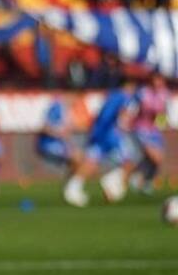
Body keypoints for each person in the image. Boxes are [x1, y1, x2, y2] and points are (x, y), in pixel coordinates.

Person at [64, 79, 136, 208]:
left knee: (91, 161)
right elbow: (115, 114)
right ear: (128, 85)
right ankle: (110, 183)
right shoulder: (122, 96)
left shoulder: (112, 95)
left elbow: (104, 114)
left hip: (99, 132)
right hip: (108, 134)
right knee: (129, 162)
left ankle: (73, 188)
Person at [129, 73, 168, 195]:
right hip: (141, 128)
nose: (158, 83)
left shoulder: (164, 93)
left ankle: (146, 181)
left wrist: (162, 124)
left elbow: (162, 113)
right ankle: (137, 176)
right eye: (156, 80)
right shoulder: (143, 93)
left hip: (154, 130)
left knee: (158, 159)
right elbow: (132, 109)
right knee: (153, 156)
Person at [36, 95, 79, 172]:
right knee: (76, 159)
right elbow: (45, 127)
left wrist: (71, 146)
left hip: (60, 143)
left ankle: (72, 182)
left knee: (79, 159)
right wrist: (58, 133)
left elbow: (67, 132)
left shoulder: (68, 110)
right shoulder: (57, 107)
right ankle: (73, 182)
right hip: (49, 144)